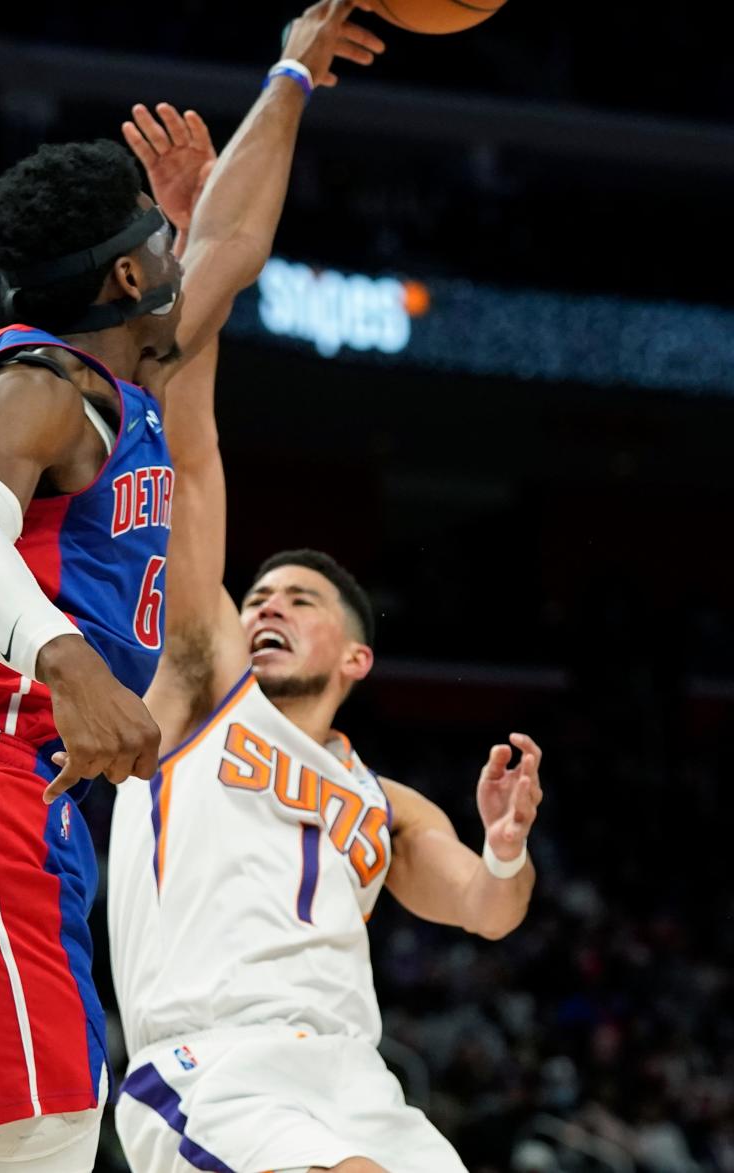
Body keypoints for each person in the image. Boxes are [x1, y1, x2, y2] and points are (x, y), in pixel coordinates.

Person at [0, 5, 385, 1172]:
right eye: (158, 240)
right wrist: (70, 663)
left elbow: (227, 244)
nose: (186, 252)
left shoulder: (134, 377)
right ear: (127, 275)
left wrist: (289, 77)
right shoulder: (39, 389)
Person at [108, 111, 544, 1173]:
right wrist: (190, 252)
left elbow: (489, 912)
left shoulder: (386, 803)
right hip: (216, 1065)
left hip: (358, 1077)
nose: (267, 606)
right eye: (258, 593)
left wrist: (505, 843)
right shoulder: (203, 686)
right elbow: (192, 447)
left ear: (356, 657)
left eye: (299, 599)